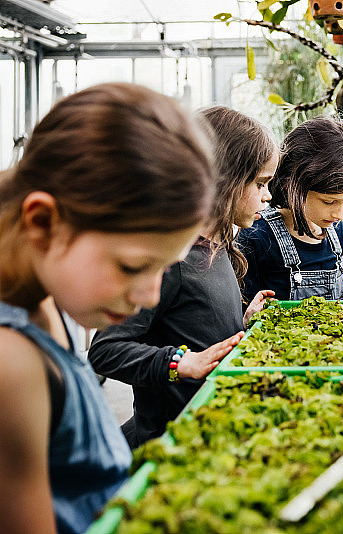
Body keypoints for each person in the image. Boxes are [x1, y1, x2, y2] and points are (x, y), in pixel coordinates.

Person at [0, 83, 216, 534]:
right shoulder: (10, 362)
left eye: (164, 268)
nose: (152, 295)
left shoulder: (40, 295)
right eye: (134, 265)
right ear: (43, 223)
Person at [89, 106, 279, 449]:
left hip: (207, 432)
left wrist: (243, 320)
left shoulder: (220, 247)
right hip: (168, 443)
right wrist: (178, 362)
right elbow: (105, 350)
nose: (267, 196)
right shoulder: (172, 261)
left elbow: (193, 323)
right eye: (260, 183)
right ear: (223, 180)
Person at [237, 115, 343, 302]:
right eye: (328, 201)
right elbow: (245, 312)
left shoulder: (336, 229)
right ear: (290, 184)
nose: (340, 214)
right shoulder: (257, 235)